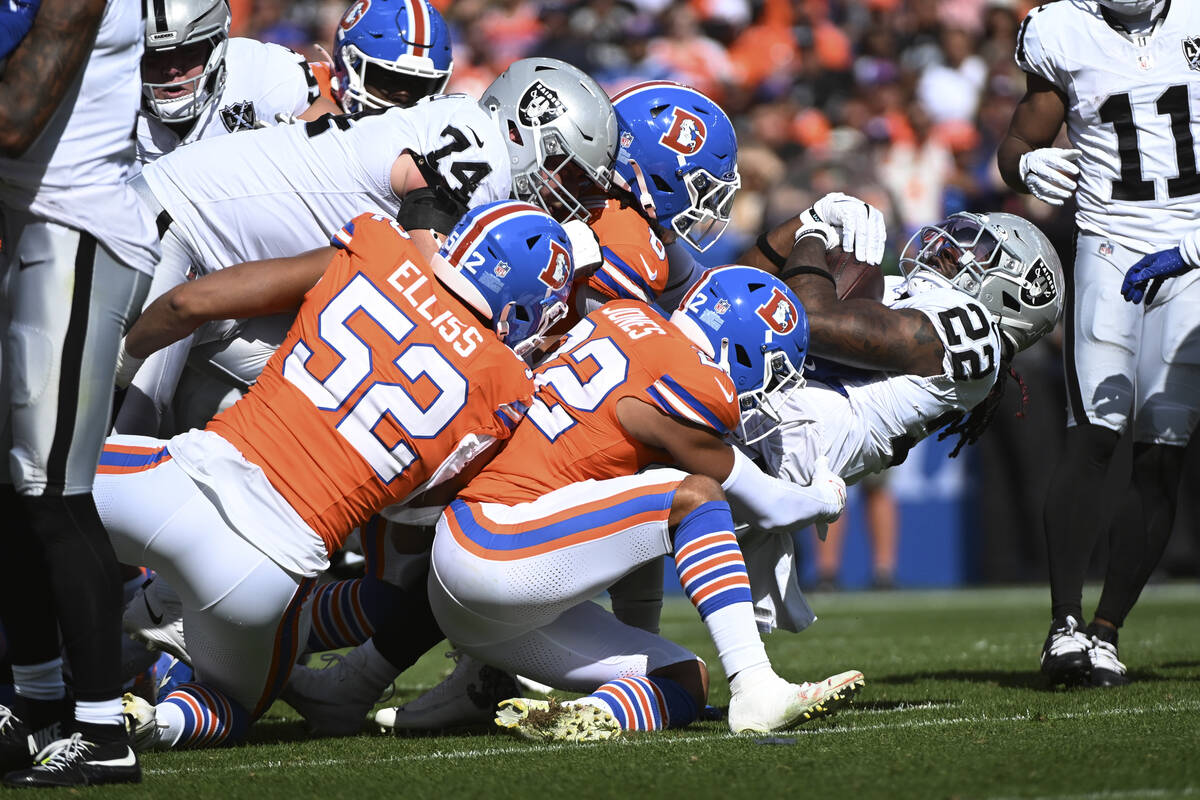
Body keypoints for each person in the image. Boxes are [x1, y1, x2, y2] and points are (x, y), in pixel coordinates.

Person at [282, 80, 744, 736]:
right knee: (399, 570)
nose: (705, 204)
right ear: (654, 172)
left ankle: (368, 673)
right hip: (491, 403)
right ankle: (236, 643)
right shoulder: (628, 241)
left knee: (414, 571)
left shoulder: (621, 231)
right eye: (699, 183)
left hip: (457, 388)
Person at [112, 201, 574, 750]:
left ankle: (48, 669)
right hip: (267, 567)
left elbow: (191, 302)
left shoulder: (377, 245)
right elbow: (407, 517)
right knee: (233, 705)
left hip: (178, 480)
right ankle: (157, 722)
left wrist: (122, 360)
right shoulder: (509, 389)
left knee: (33, 491)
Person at [428, 266, 856, 741]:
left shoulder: (622, 316)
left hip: (468, 591)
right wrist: (827, 496)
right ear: (744, 349)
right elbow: (769, 507)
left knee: (685, 680)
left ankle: (593, 713)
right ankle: (756, 684)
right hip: (496, 540)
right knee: (694, 496)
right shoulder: (690, 377)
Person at [739, 198, 1063, 635]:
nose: (952, 249)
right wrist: (807, 216)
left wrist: (813, 235)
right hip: (768, 426)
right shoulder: (908, 293)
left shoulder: (974, 330)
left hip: (784, 439)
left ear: (1011, 293)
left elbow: (808, 320)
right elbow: (733, 285)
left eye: (982, 252)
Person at [996, 0, 1200, 686]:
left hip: (1195, 253)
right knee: (1095, 435)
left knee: (1163, 448)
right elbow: (1017, 143)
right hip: (1111, 246)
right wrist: (1024, 170)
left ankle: (1107, 632)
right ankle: (1064, 627)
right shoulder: (1061, 30)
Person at [0, 0, 160, 788]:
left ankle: (103, 730)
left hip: (76, 233)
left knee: (54, 492)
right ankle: (36, 710)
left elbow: (12, 119)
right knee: (11, 491)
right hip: (28, 227)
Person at [136, 0, 340, 167]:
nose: (172, 69)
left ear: (216, 45)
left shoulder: (261, 70)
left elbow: (339, 151)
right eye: (155, 56)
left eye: (188, 51)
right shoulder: (109, 104)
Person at [328, 0, 453, 112]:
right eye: (390, 77)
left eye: (419, 82)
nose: (403, 95)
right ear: (348, 61)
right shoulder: (312, 104)